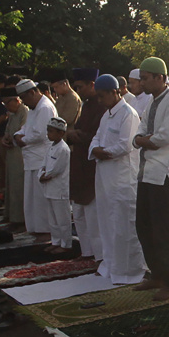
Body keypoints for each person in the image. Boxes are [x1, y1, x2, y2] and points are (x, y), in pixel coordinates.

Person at [131, 57, 169, 301]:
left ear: (160, 78)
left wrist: (143, 140)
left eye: (145, 78)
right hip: (146, 173)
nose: (141, 83)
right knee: (144, 227)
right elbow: (139, 132)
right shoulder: (151, 102)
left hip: (164, 174)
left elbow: (167, 136)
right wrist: (143, 139)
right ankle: (156, 274)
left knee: (163, 231)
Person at [89, 74, 146, 283]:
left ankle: (129, 271)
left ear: (115, 92)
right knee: (106, 221)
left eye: (102, 96)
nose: (100, 100)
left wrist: (104, 152)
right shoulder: (107, 115)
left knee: (124, 225)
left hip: (122, 178)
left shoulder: (128, 114)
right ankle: (111, 265)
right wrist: (96, 149)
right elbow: (96, 137)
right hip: (105, 176)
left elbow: (126, 144)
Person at [68, 68, 106, 262]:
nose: (78, 90)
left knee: (93, 214)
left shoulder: (102, 107)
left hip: (93, 165)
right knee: (80, 213)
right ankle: (87, 252)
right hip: (81, 162)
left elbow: (101, 138)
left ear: (92, 84)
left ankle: (100, 256)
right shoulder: (88, 105)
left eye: (80, 87)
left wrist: (79, 136)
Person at [14, 78, 58, 240]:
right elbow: (26, 128)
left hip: (42, 157)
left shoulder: (45, 107)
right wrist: (17, 135)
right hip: (32, 158)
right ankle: (35, 228)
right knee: (32, 197)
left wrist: (22, 139)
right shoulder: (33, 109)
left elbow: (40, 134)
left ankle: (46, 230)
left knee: (41, 198)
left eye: (24, 98)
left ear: (32, 93)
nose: (23, 102)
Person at [39, 116, 73, 254]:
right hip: (49, 188)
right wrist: (40, 174)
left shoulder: (63, 149)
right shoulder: (50, 147)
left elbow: (57, 169)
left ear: (61, 133)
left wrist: (46, 175)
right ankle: (56, 240)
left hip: (59, 188)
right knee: (52, 218)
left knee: (62, 219)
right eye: (48, 131)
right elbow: (43, 164)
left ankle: (66, 244)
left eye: (52, 131)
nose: (49, 134)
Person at [0, 87, 27, 225]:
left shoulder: (25, 112)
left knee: (19, 186)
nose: (6, 106)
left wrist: (12, 139)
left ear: (16, 100)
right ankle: (11, 215)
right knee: (11, 185)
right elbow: (8, 132)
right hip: (11, 153)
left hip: (21, 155)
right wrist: (5, 139)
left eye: (7, 103)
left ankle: (20, 218)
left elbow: (23, 133)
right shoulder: (12, 114)